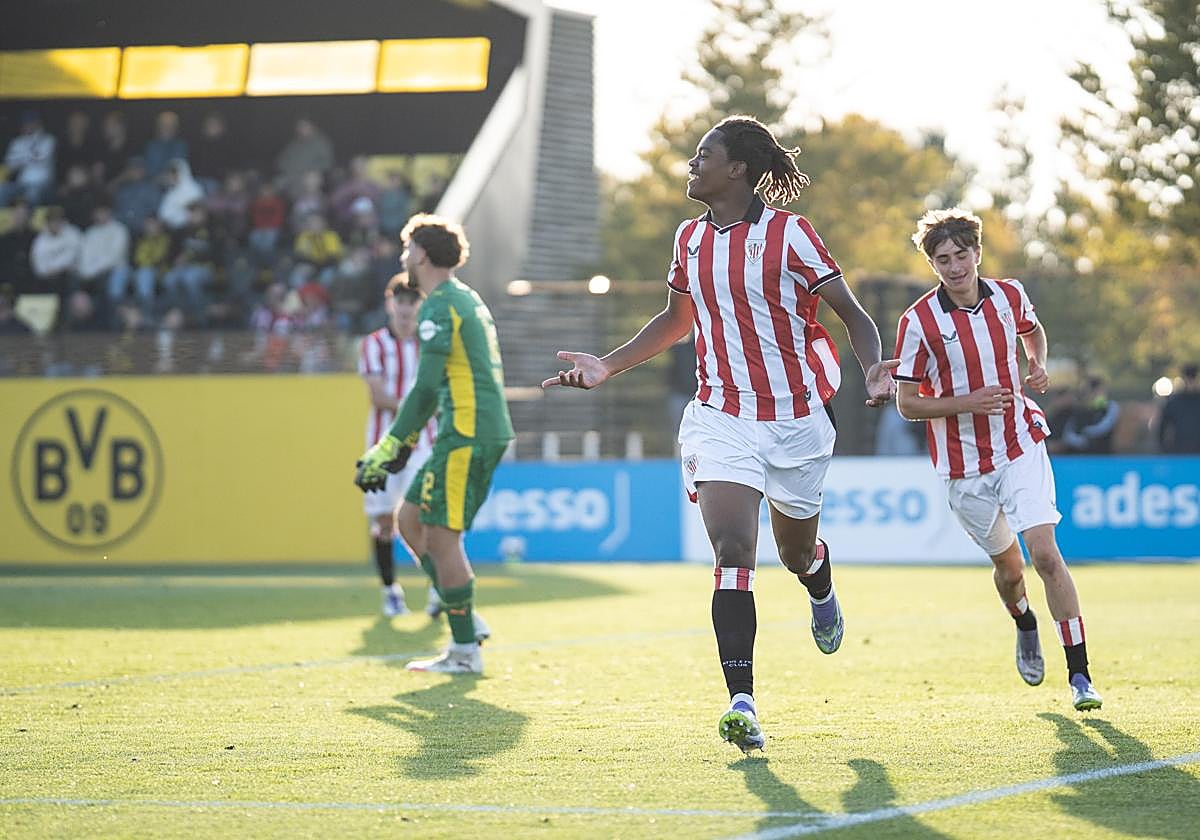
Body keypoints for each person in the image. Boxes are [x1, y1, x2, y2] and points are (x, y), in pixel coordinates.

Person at [543, 115, 897, 753]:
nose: (691, 164)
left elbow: (854, 315)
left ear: (737, 169)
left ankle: (818, 578)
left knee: (794, 553)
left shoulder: (790, 234)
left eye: (703, 155)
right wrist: (607, 365)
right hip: (720, 415)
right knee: (733, 550)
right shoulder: (689, 238)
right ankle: (743, 702)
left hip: (796, 419)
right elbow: (676, 319)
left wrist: (873, 367)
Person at [893, 207, 1102, 712]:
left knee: (1045, 554)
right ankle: (1024, 621)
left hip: (1019, 443)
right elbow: (907, 404)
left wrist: (1037, 363)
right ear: (932, 265)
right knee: (1010, 570)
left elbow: (1033, 330)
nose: (954, 267)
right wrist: (968, 402)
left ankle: (1080, 676)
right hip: (963, 466)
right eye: (943, 259)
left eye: (961, 255)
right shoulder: (918, 321)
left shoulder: (1009, 295)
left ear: (977, 253)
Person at [354, 214, 513, 675]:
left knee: (442, 538)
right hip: (465, 431)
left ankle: (464, 651)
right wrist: (402, 442)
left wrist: (388, 447)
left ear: (421, 254)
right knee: (408, 520)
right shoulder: (462, 298)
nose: (404, 256)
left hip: (467, 433)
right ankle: (467, 619)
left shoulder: (439, 306)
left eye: (407, 248)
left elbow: (425, 389)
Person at [357, 276, 436, 616]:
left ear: (420, 306)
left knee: (426, 517)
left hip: (423, 445)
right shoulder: (374, 344)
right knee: (384, 522)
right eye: (400, 301)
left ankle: (437, 588)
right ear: (391, 304)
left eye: (411, 301)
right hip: (383, 445)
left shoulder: (429, 345)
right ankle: (390, 590)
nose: (405, 308)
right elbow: (378, 396)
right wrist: (415, 409)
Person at [2, 111, 56, 206]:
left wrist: (20, 158)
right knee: (2, 190)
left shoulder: (48, 140)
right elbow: (9, 163)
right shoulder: (17, 142)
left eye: (31, 123)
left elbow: (42, 159)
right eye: (26, 123)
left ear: (38, 123)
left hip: (42, 184)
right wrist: (31, 157)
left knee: (32, 193)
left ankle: (28, 216)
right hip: (22, 183)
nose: (28, 126)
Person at [1061, 376, 1119, 454]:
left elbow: (1105, 425)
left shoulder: (1111, 406)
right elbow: (1069, 432)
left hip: (1104, 453)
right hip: (1079, 454)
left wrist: (1088, 433)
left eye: (1102, 391)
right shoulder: (1078, 409)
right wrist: (1080, 441)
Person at [1158, 364, 1200, 453]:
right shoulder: (1174, 401)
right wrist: (1164, 448)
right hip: (1179, 450)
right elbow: (1163, 426)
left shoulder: (1174, 401)